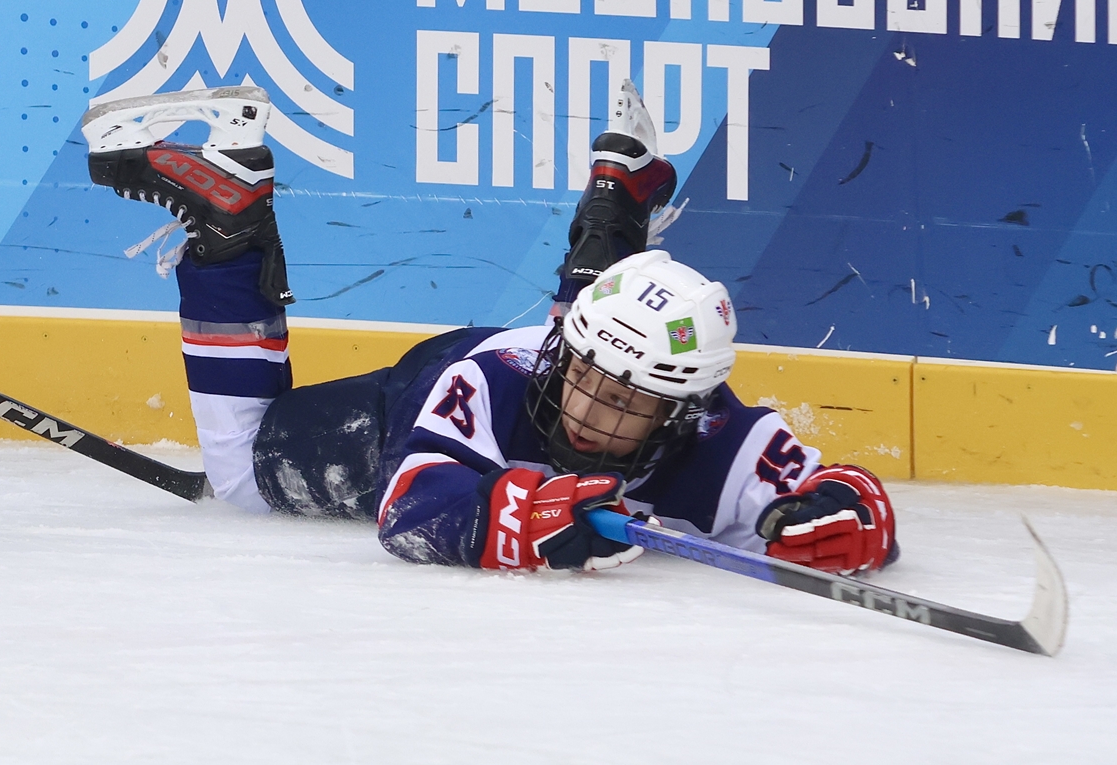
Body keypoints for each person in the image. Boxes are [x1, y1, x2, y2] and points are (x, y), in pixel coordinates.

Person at [83, 83, 897, 575]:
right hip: (420, 393)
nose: (588, 409)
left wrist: (841, 520)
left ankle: (621, 185)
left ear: (682, 409)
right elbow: (409, 505)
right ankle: (229, 224)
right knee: (243, 476)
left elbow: (839, 494)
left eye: (624, 401)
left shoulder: (717, 434)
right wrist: (518, 520)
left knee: (594, 327)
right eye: (585, 379)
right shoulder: (488, 389)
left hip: (561, 354)